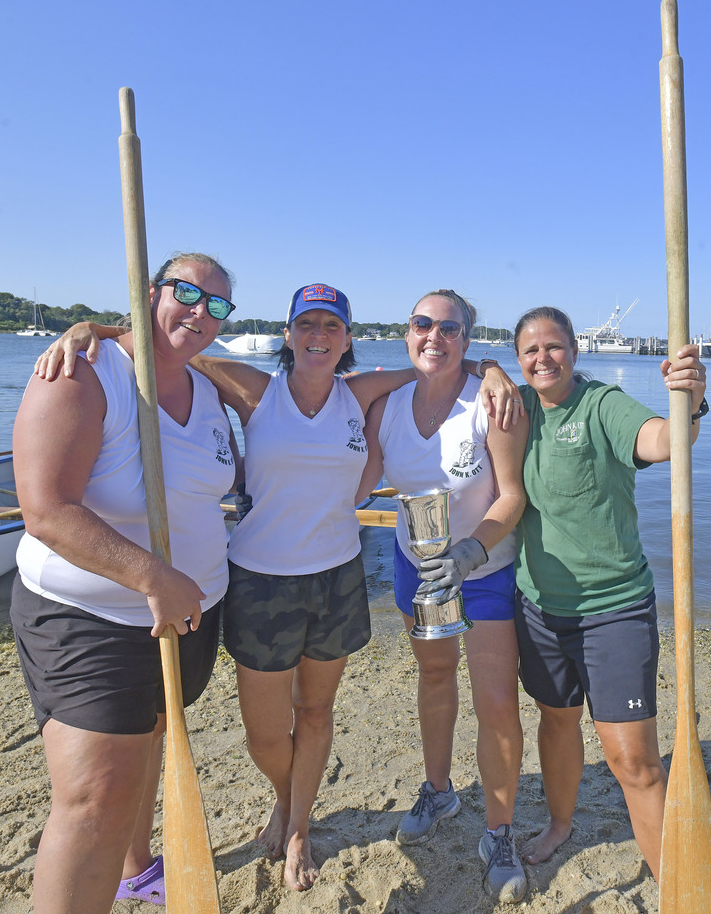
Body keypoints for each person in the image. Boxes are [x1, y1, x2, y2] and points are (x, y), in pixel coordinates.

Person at [38, 283, 519, 892]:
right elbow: (162, 347)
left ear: (347, 339)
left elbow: (437, 365)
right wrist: (97, 331)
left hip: (339, 576)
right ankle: (286, 798)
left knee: (316, 712)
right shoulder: (254, 391)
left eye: (331, 327)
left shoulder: (362, 392)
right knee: (265, 734)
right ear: (288, 334)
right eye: (306, 325)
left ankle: (295, 827)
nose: (318, 337)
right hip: (260, 581)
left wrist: (492, 366)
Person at [11, 253, 239, 912]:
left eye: (217, 306)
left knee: (149, 744)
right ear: (149, 291)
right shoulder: (83, 373)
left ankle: (137, 871)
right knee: (94, 803)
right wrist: (149, 573)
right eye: (187, 293)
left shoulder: (209, 389)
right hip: (89, 619)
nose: (200, 313)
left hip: (185, 615)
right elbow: (45, 509)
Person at [507, 306, 706, 882]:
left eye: (554, 346)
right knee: (557, 721)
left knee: (634, 762)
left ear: (575, 350)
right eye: (530, 351)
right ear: (518, 360)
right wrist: (486, 371)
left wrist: (689, 400)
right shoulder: (516, 408)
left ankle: (672, 883)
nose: (543, 358)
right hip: (539, 609)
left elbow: (667, 441)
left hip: (613, 610)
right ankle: (560, 824)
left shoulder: (601, 405)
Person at [354, 289, 529, 902]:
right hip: (414, 563)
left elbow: (512, 495)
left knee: (495, 703)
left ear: (467, 339)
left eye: (449, 329)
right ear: (407, 333)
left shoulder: (489, 402)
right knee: (434, 679)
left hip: (481, 571)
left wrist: (469, 552)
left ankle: (500, 831)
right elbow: (360, 479)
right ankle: (439, 790)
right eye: (423, 325)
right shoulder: (389, 405)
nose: (434, 337)